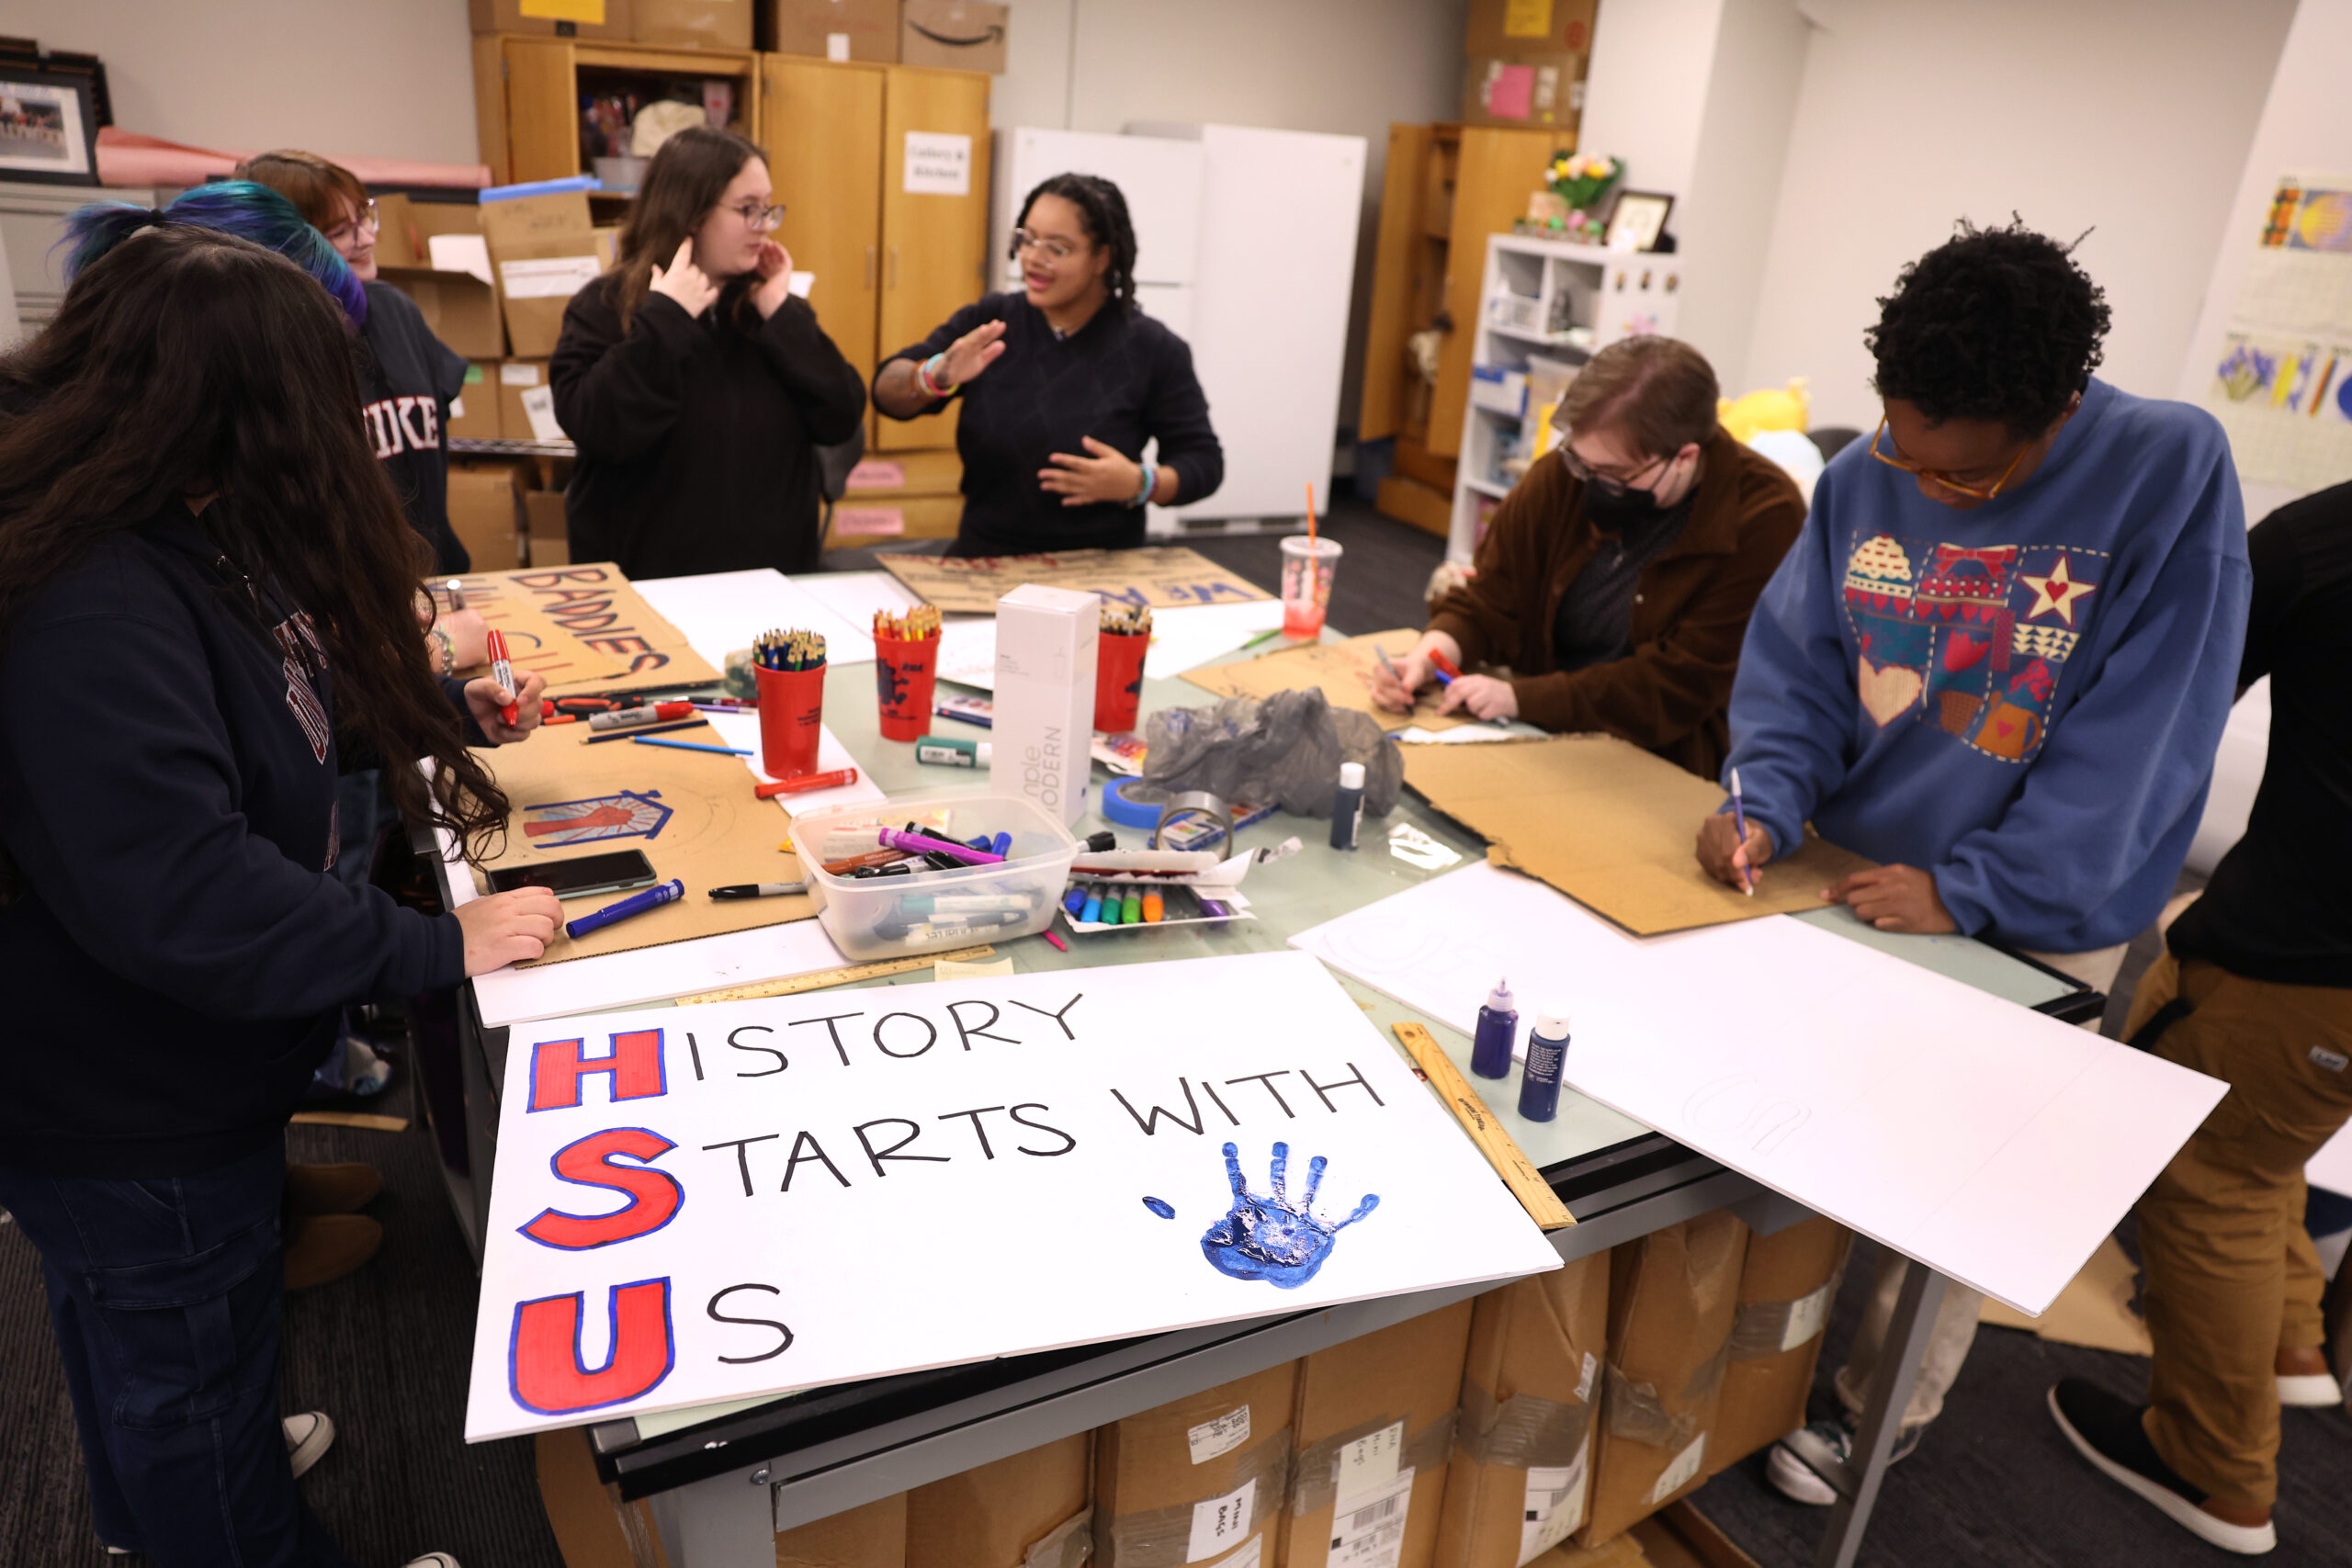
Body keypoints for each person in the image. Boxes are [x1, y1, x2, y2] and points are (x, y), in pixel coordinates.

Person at [0, 218, 562, 1567]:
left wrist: (437, 714)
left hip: (151, 1069)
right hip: (125, 1092)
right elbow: (189, 894)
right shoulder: (95, 604)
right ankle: (217, 1500)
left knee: (158, 1337)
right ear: (237, 412)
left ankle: (177, 1492)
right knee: (181, 1340)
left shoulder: (170, 516)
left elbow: (275, 711)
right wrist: (437, 940)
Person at [1690, 222, 2251, 1502]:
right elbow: (1804, 659)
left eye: (1972, 485)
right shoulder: (1867, 470)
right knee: (1797, 1115)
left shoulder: (2167, 467)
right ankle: (1750, 1353)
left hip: (2039, 900)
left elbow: (2148, 732)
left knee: (1942, 1182)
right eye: (1905, 454)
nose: (1925, 489)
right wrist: (1765, 800)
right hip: (1852, 860)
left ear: (2052, 414)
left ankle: (1871, 1411)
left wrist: (1974, 890)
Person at [2047, 479, 2352, 1557]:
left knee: (2208, 1175)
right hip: (2316, 972)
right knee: (2263, 1152)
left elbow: (2163, 701)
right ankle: (2294, 1353)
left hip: (2304, 961)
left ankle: (2214, 1473)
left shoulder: (2318, 542)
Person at [1368, 334, 1804, 777]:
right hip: (1539, 730)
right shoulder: (1564, 475)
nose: (1589, 483)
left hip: (1665, 757)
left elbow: (1677, 686)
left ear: (1684, 458)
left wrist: (1524, 698)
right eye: (1580, 462)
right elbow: (1492, 599)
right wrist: (1433, 651)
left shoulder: (1764, 518)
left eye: (1613, 474)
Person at [552, 126, 865, 577]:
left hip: (770, 590)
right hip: (649, 592)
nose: (764, 227)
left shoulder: (770, 310)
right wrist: (666, 318)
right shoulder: (606, 306)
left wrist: (781, 313)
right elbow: (596, 425)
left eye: (768, 209)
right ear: (692, 212)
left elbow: (842, 415)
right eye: (747, 210)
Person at [874, 172, 1224, 556]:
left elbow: (1203, 462)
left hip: (1102, 566)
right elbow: (885, 391)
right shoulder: (992, 322)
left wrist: (1142, 484)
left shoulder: (1154, 347)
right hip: (987, 560)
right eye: (1027, 240)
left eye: (1057, 248)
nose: (1033, 258)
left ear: (1102, 258)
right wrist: (932, 376)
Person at [236, 150, 481, 588]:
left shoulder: (398, 311)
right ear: (291, 242)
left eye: (366, 217)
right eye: (341, 231)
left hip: (435, 577)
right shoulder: (274, 348)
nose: (367, 238)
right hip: (343, 597)